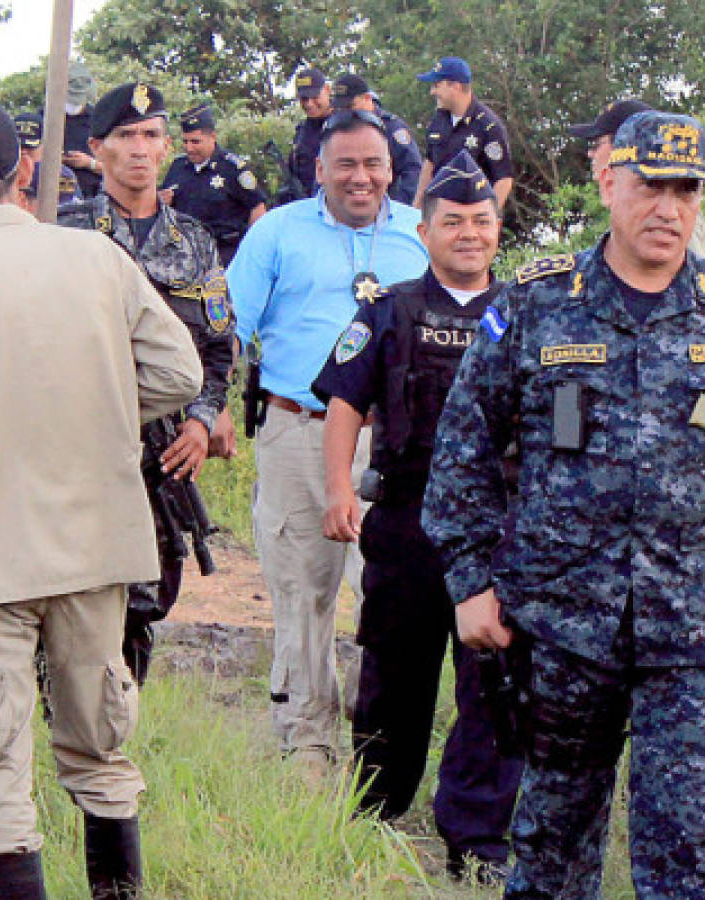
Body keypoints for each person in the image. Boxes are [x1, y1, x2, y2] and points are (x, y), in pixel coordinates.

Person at [421, 110, 705, 898]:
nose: (667, 208)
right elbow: (463, 445)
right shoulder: (537, 305)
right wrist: (469, 581)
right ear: (609, 182)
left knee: (687, 846)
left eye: (685, 190)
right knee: (549, 844)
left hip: (700, 631)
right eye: (650, 185)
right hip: (559, 625)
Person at [0, 97, 202, 899]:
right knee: (98, 735)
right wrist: (91, 411)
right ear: (25, 170)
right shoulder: (95, 258)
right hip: (96, 537)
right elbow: (180, 376)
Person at [312, 151, 522, 881]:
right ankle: (374, 815)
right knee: (393, 678)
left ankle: (477, 841)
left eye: (481, 221)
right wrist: (339, 488)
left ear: (498, 230)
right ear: (425, 232)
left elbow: (562, 420)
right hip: (405, 524)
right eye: (452, 222)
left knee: (493, 686)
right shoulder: (388, 309)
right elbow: (343, 401)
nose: (468, 234)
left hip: (500, 534)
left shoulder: (527, 316)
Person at [227, 109, 428, 775]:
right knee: (301, 590)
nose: (359, 177)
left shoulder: (419, 234)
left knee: (390, 598)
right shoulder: (276, 233)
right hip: (298, 432)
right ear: (318, 169)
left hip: (394, 446)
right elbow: (228, 326)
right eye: (344, 164)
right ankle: (306, 743)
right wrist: (209, 409)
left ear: (391, 170)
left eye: (372, 164)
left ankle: (380, 748)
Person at [59, 82, 237, 687]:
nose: (140, 148)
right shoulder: (64, 232)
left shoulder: (193, 240)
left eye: (151, 135)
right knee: (72, 588)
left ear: (165, 147)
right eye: (126, 136)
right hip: (76, 444)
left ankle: (117, 721)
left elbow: (219, 344)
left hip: (162, 449)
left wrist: (201, 418)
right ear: (97, 148)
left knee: (151, 589)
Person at [570, 97, 705, 257]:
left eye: (596, 144)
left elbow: (688, 275)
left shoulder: (678, 218)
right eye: (652, 186)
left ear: (623, 144)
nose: (590, 153)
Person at [158, 103, 267, 265]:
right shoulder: (178, 166)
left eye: (196, 142)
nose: (189, 148)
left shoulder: (233, 168)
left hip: (225, 253)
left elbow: (257, 208)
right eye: (185, 141)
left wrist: (251, 251)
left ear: (213, 137)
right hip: (186, 254)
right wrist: (160, 202)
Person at [413, 56, 513, 211]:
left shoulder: (488, 126)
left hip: (471, 216)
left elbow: (504, 180)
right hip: (440, 214)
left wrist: (487, 219)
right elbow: (430, 163)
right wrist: (417, 207)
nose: (432, 92)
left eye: (437, 85)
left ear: (455, 86)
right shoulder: (439, 119)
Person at [332, 73, 422, 205]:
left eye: (350, 107)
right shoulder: (336, 127)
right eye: (341, 108)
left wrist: (399, 205)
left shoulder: (392, 127)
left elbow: (412, 170)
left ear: (367, 98)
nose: (346, 113)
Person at [12, 112, 82, 214]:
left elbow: (68, 217)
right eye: (19, 146)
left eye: (30, 147)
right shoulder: (1, 174)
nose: (23, 151)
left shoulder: (60, 175)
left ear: (44, 146)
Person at [57, 61, 102, 199]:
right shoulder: (45, 118)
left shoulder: (99, 120)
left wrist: (89, 163)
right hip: (52, 196)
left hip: (91, 196)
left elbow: (119, 171)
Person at [287, 67, 332, 199]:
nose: (309, 104)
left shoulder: (346, 125)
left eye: (315, 97)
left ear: (327, 90)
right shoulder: (301, 133)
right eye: (304, 99)